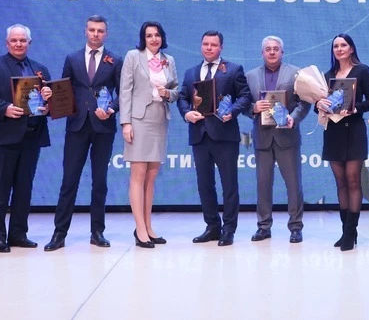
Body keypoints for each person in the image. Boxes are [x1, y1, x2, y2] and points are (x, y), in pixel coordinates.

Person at [0, 24, 53, 253]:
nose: (18, 44)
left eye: (23, 40)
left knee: (24, 189)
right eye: (14, 40)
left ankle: (18, 234)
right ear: (7, 43)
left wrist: (49, 102)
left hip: (31, 137)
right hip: (1, 138)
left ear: (30, 43)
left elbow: (48, 103)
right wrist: (4, 108)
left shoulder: (40, 69)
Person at [44, 15, 122, 252]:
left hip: (103, 127)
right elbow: (64, 89)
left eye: (100, 30)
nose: (96, 34)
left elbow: (123, 93)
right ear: (85, 32)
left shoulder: (115, 60)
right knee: (69, 181)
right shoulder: (72, 58)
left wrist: (111, 109)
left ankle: (97, 232)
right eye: (92, 30)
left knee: (100, 182)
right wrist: (50, 97)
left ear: (106, 34)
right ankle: (59, 233)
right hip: (76, 126)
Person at [177, 31, 251, 246]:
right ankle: (212, 227)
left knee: (229, 184)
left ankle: (229, 229)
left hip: (225, 134)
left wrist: (232, 112)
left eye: (213, 45)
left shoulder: (233, 69)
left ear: (221, 47)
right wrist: (186, 113)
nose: (209, 48)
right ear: (201, 46)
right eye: (205, 44)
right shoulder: (191, 72)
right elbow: (182, 98)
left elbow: (245, 96)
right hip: (199, 134)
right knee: (204, 184)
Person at [244, 36, 311, 244]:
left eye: (276, 49)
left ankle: (296, 227)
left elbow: (305, 102)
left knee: (293, 184)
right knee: (263, 185)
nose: (272, 52)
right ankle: (263, 227)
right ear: (262, 53)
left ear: (282, 52)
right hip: (262, 137)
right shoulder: (250, 76)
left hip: (287, 136)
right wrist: (253, 108)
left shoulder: (296, 74)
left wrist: (294, 118)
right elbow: (243, 103)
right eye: (268, 49)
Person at [119, 21, 179, 249]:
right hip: (138, 119)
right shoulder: (133, 56)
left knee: (152, 176)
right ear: (143, 39)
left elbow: (176, 90)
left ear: (162, 37)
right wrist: (126, 122)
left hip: (159, 119)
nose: (154, 39)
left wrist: (168, 93)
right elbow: (125, 90)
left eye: (157, 35)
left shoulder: (169, 60)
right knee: (138, 173)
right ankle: (140, 229)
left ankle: (148, 227)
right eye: (149, 35)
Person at [315, 33, 369, 251]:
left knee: (353, 181)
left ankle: (351, 232)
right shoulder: (327, 76)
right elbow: (318, 104)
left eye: (343, 45)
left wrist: (355, 108)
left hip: (354, 131)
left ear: (351, 48)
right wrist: (318, 104)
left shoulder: (362, 70)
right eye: (336, 46)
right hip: (333, 132)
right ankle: (345, 231)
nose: (339, 49)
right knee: (340, 182)